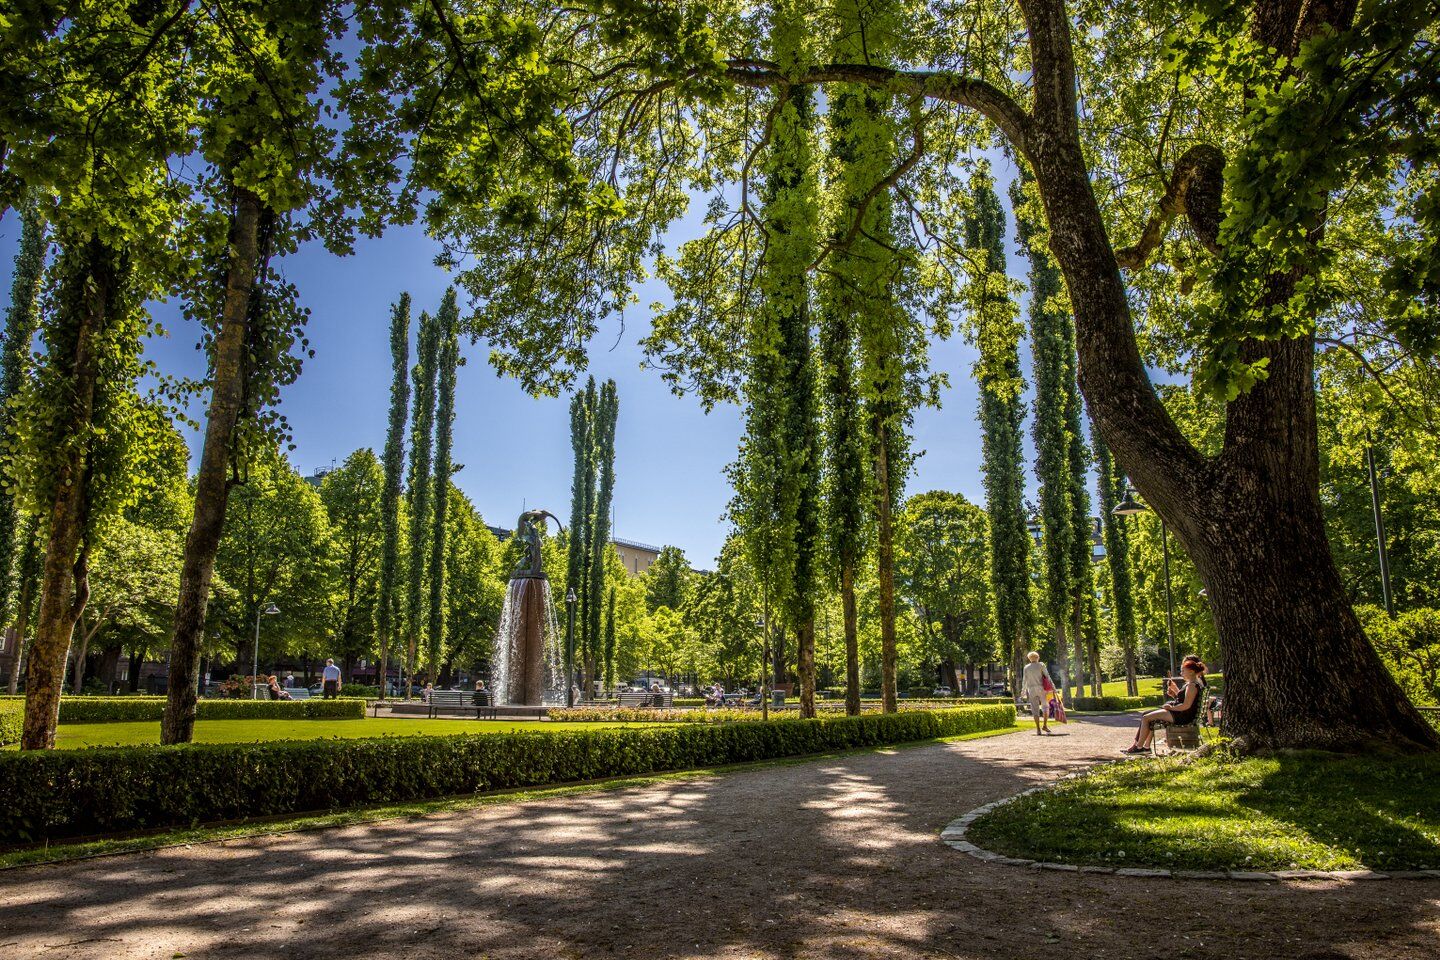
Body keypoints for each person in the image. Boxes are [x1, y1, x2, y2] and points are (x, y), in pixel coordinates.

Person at [1123, 655, 1208, 754]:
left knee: (1146, 718)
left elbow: (1186, 705)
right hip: (1183, 714)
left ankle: (1139, 747)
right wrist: (1174, 695)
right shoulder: (1194, 684)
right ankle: (1144, 747)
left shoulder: (1192, 685)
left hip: (1182, 716)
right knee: (1148, 716)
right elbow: (1185, 701)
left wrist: (1171, 708)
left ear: (1191, 671)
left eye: (1183, 671)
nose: (1181, 673)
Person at [1021, 651, 1053, 735]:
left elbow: (1024, 680)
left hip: (1031, 690)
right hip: (1041, 688)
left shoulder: (1026, 667)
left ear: (1029, 658)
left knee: (1035, 709)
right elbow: (1047, 677)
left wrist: (1023, 691)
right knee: (1045, 707)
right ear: (1037, 657)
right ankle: (1045, 725)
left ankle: (1038, 729)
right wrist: (1053, 687)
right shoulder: (1041, 665)